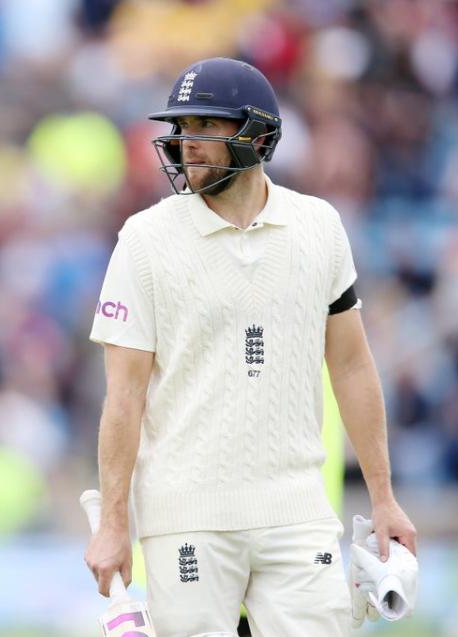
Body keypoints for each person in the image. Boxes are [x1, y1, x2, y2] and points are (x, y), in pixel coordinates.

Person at [83, 57, 416, 637]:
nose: (189, 144)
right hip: (186, 516)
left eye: (207, 128)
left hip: (297, 512)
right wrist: (114, 523)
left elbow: (353, 366)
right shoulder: (144, 239)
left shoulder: (320, 226)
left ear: (259, 136)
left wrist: (384, 498)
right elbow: (124, 395)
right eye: (182, 129)